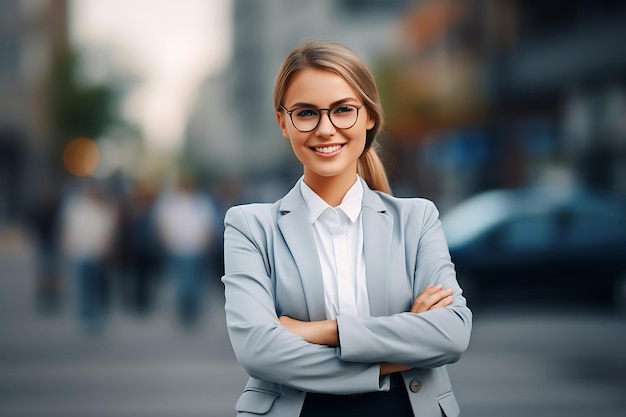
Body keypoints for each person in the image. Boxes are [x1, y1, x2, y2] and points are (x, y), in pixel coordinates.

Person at [221, 40, 472, 417]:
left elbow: (451, 333)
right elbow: (260, 351)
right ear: (282, 123)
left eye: (343, 110)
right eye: (306, 113)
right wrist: (395, 356)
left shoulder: (417, 219)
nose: (326, 129)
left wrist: (325, 331)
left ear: (369, 116)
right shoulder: (249, 228)